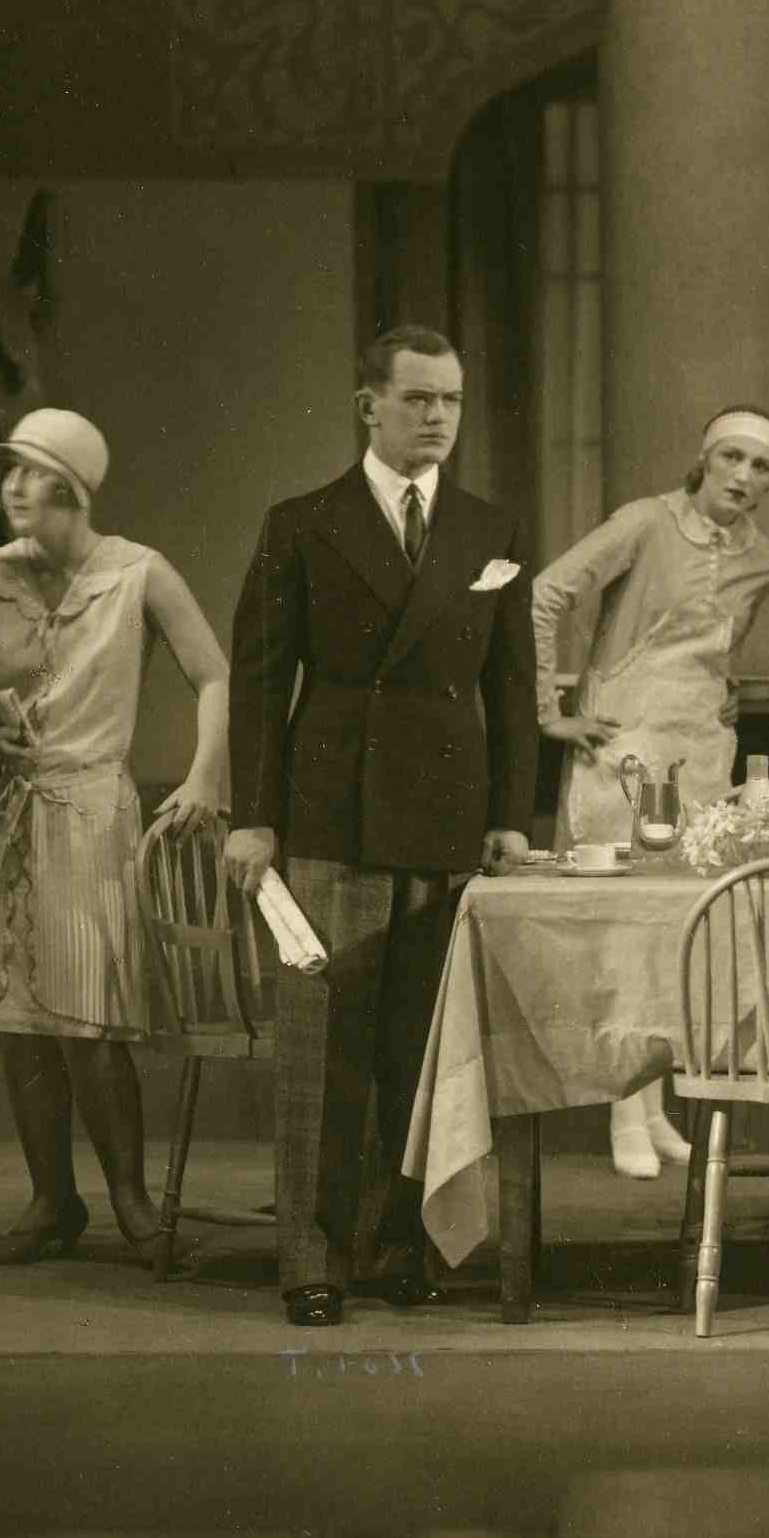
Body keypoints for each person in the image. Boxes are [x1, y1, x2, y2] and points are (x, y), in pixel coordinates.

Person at [223, 326, 538, 1328]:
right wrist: (254, 817)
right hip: (332, 812)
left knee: (419, 1046)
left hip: (448, 820)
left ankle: (400, 1242)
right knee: (325, 1048)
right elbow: (259, 681)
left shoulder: (490, 526)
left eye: (451, 399)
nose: (438, 416)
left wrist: (511, 816)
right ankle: (311, 1257)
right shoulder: (302, 524)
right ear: (370, 405)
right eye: (417, 399)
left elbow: (514, 688)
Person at [0, 407, 232, 1263]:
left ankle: (130, 1197)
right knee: (16, 1023)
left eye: (35, 471)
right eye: (9, 470)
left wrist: (204, 776)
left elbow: (215, 675)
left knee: (89, 1020)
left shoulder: (138, 573)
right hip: (4, 814)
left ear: (75, 487)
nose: (15, 486)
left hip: (90, 814)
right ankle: (53, 1200)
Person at [527, 405, 769, 1179]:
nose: (743, 475)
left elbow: (722, 648)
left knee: (681, 929)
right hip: (626, 743)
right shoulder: (645, 522)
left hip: (700, 750)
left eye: (761, 466)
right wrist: (550, 709)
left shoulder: (764, 558)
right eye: (731, 456)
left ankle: (652, 1107)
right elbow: (545, 592)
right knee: (624, 931)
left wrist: (726, 692)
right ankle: (622, 1108)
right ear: (704, 458)